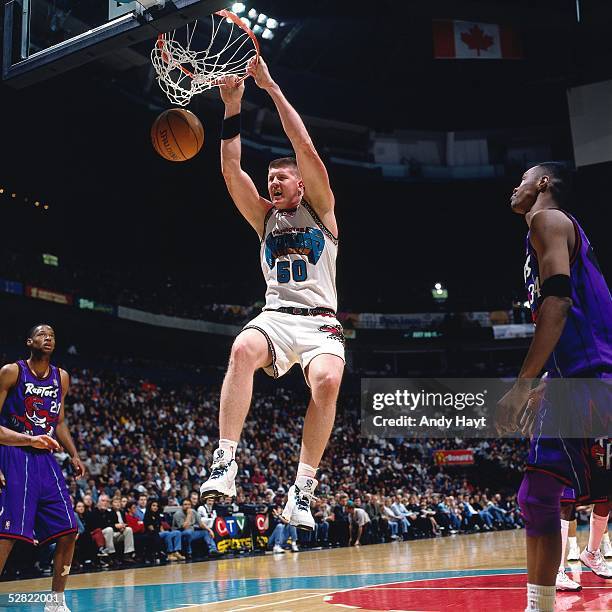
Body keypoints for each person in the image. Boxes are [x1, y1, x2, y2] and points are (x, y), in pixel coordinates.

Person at [199, 56, 345, 532]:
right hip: (276, 315)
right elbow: (229, 168)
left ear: (302, 183)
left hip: (321, 321)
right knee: (242, 348)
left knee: (326, 382)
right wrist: (232, 106)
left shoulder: (321, 212)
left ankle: (302, 489)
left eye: (282, 177)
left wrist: (270, 85)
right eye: (270, 179)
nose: (273, 181)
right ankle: (225, 461)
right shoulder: (264, 218)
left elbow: (305, 146)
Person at [495, 163, 612, 612]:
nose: (516, 185)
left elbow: (559, 302)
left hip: (591, 377)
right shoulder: (550, 232)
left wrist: (523, 385)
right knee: (540, 492)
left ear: (543, 184)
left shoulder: (548, 220)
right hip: (576, 377)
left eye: (523, 178)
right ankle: (539, 604)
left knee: (543, 493)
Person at [0, 324, 85, 612]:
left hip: (44, 460)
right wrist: (29, 439)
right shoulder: (12, 371)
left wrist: (74, 454)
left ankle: (55, 602)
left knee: (69, 530)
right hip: (12, 454)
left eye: (52, 335)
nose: (47, 338)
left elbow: (58, 421)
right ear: (29, 341)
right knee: (7, 534)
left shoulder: (61, 377)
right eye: (41, 334)